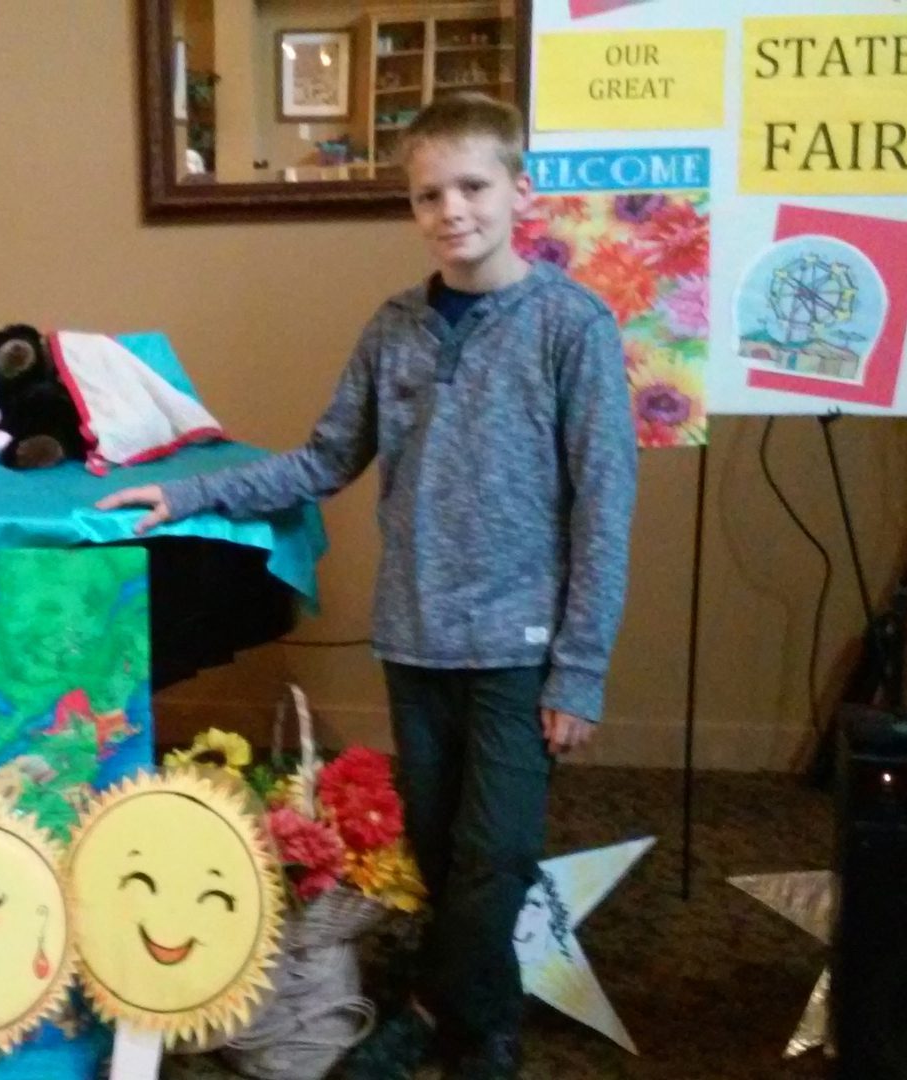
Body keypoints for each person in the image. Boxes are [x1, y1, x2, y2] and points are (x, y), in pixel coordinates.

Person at [97, 93, 638, 1080]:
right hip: (415, 641)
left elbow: (603, 508)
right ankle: (488, 1031)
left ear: (521, 189)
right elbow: (321, 459)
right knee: (439, 852)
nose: (452, 209)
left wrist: (580, 671)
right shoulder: (394, 329)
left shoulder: (573, 328)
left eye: (473, 186)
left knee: (495, 854)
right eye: (429, 194)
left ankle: (431, 1011)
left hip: (520, 651)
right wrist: (185, 496)